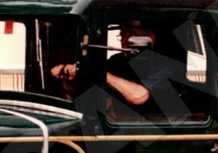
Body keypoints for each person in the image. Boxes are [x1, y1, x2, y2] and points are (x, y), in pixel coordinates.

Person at [51, 23, 180, 112]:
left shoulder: (165, 63)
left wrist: (98, 71)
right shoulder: (117, 60)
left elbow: (138, 96)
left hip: (160, 129)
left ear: (150, 37)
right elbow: (93, 92)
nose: (124, 39)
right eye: (122, 35)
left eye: (131, 34)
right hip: (122, 124)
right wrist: (71, 76)